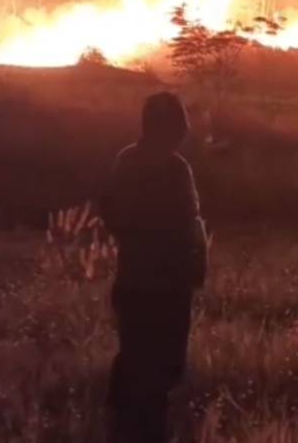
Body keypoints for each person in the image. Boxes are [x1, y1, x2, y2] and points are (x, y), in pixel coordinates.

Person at [99, 92, 208, 443]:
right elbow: (190, 223)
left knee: (136, 357)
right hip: (167, 285)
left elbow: (110, 213)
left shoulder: (127, 161)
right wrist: (196, 265)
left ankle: (122, 425)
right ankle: (144, 429)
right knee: (162, 365)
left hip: (134, 281)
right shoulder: (176, 169)